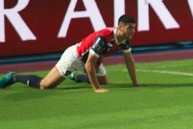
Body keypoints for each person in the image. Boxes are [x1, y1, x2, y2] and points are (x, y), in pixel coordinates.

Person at [0, 15, 140, 93]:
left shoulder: (124, 39)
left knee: (104, 80)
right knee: (45, 85)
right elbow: (88, 64)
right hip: (75, 58)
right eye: (129, 28)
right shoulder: (104, 37)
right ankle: (14, 77)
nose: (132, 31)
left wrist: (136, 84)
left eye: (134, 28)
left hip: (94, 60)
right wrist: (97, 89)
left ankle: (74, 76)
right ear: (120, 28)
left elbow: (129, 60)